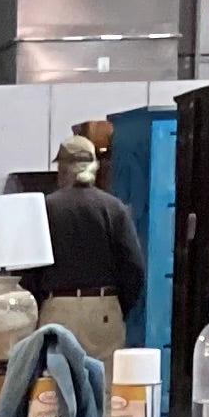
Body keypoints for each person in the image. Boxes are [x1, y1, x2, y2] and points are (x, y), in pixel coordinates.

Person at [23, 133, 145, 371]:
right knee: (104, 388)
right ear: (94, 168)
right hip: (103, 307)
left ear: (64, 170)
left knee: (56, 387)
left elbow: (30, 270)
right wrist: (114, 303)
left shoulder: (44, 209)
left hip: (57, 307)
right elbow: (134, 267)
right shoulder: (114, 208)